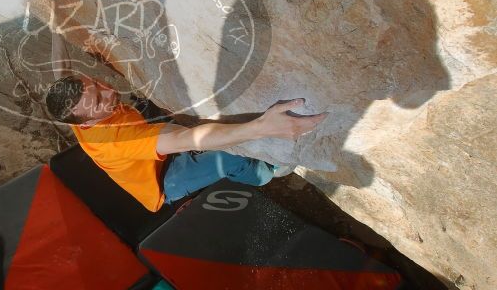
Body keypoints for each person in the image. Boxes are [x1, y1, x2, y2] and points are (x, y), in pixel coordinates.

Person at [44, 35, 328, 211]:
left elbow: (61, 70)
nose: (108, 90)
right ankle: (268, 173)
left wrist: (56, 26)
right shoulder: (120, 140)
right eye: (98, 101)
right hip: (164, 182)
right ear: (85, 120)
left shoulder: (76, 108)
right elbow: (186, 139)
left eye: (95, 82)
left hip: (147, 146)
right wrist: (263, 127)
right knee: (226, 158)